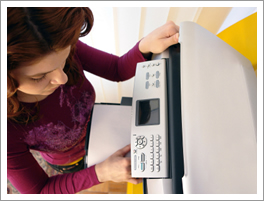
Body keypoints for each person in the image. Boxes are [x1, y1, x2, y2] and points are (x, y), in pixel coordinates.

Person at [7, 7, 179, 194]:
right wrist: (100, 173)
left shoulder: (57, 44)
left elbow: (116, 69)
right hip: (71, 160)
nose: (62, 79)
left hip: (103, 127)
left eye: (64, 60)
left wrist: (145, 46)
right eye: (39, 77)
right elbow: (39, 191)